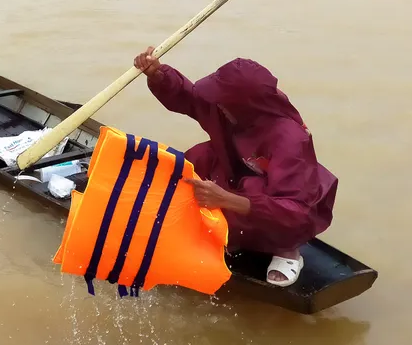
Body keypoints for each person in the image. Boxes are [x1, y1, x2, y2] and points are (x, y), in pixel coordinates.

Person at [132, 48, 338, 287]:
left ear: (242, 104)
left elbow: (296, 210)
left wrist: (227, 200)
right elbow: (190, 98)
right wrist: (158, 74)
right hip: (237, 175)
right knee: (199, 156)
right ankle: (228, 232)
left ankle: (287, 250)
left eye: (222, 100)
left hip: (289, 205)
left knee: (253, 189)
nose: (216, 105)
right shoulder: (227, 110)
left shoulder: (290, 138)